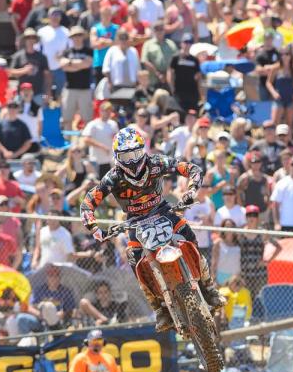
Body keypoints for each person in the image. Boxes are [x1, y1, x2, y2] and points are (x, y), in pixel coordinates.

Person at [81, 126, 224, 332]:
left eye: (136, 153)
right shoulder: (112, 178)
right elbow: (88, 203)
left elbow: (190, 168)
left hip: (162, 210)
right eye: (126, 155)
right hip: (135, 220)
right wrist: (95, 228)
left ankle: (209, 288)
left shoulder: (157, 163)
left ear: (143, 150)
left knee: (191, 239)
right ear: (117, 157)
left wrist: (191, 190)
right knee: (135, 261)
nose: (132, 160)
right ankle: (159, 309)